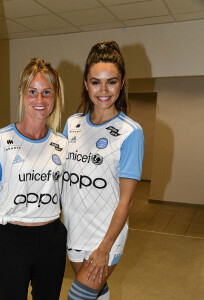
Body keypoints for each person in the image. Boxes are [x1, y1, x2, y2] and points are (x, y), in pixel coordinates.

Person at [0, 58, 68, 300]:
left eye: (46, 92)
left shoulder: (63, 145)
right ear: (22, 93)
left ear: (55, 95)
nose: (40, 100)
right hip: (12, 239)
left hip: (52, 238)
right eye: (33, 92)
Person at [62, 41, 144, 300]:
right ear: (86, 84)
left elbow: (126, 200)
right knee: (96, 295)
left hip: (105, 236)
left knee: (78, 297)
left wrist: (105, 247)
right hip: (74, 230)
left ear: (122, 84)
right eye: (96, 82)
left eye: (112, 81)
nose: (104, 90)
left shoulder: (130, 132)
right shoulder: (72, 124)